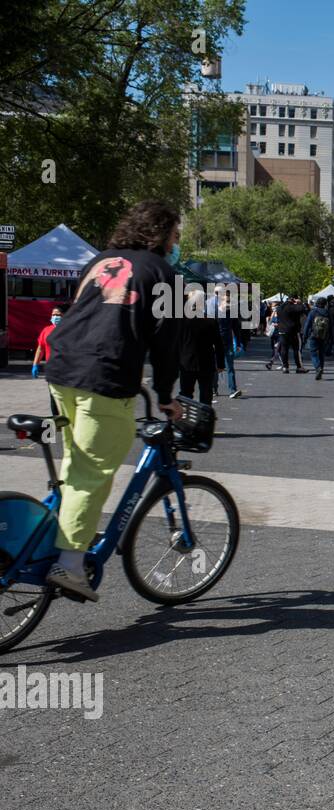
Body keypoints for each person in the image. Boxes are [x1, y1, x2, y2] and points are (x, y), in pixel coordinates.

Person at [41, 200, 182, 601]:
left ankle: (55, 535)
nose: (176, 243)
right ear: (161, 233)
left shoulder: (100, 261)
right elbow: (167, 342)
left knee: (74, 462)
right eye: (174, 235)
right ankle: (69, 566)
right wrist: (167, 396)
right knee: (91, 473)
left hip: (61, 366)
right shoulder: (163, 273)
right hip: (104, 375)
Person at [177, 302, 223, 405]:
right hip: (206, 362)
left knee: (186, 394)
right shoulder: (211, 322)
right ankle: (205, 418)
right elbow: (219, 344)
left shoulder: (182, 321)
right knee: (206, 394)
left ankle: (186, 418)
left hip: (187, 363)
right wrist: (220, 364)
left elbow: (176, 343)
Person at [277, 296, 307, 373]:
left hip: (282, 330)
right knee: (297, 350)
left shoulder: (279, 308)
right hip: (293, 331)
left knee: (284, 349)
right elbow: (303, 309)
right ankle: (299, 367)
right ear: (293, 300)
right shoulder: (292, 307)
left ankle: (285, 367)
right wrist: (299, 303)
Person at [304, 297, 331, 380]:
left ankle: (318, 367)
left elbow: (307, 324)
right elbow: (331, 326)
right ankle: (321, 369)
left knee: (313, 353)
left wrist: (305, 336)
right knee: (321, 353)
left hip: (313, 335)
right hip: (324, 336)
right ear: (325, 304)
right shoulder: (328, 313)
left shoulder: (313, 312)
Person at [31, 307, 62, 378]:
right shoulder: (46, 330)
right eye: (53, 315)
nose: (55, 317)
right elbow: (40, 349)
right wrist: (35, 365)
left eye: (58, 315)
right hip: (51, 368)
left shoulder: (70, 330)